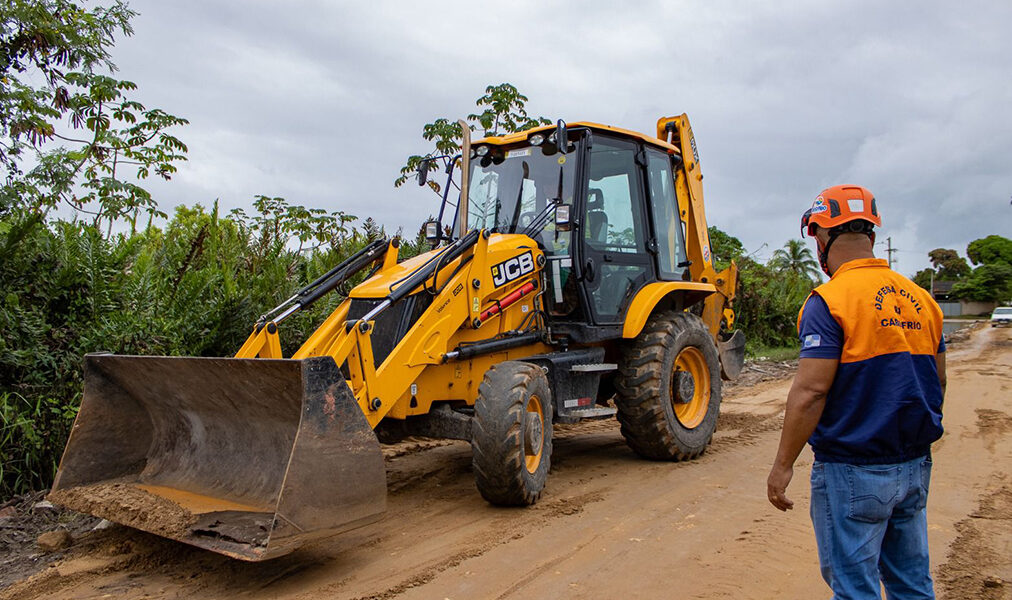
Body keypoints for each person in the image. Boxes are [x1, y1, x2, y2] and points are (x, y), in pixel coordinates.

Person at [767, 185, 947, 599]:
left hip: (852, 470)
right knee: (912, 584)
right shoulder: (923, 300)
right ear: (872, 233)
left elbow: (811, 392)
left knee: (854, 589)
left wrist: (783, 465)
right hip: (914, 465)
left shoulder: (829, 301)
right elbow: (936, 383)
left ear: (820, 236)